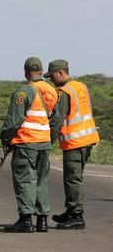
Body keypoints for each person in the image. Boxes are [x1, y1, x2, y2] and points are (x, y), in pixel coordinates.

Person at [0, 57, 58, 233]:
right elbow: (54, 120)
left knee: (25, 180)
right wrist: (49, 139)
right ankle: (42, 221)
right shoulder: (51, 90)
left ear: (25, 72)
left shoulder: (23, 92)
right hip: (44, 143)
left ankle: (25, 220)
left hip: (26, 143)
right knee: (41, 180)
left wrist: (5, 138)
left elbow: (13, 121)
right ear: (41, 71)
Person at [45, 59, 100, 230]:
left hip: (75, 142)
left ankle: (76, 216)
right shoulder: (80, 86)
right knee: (75, 178)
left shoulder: (64, 92)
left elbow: (56, 119)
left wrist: (48, 141)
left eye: (52, 76)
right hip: (88, 138)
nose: (51, 80)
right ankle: (70, 211)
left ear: (61, 73)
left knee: (72, 180)